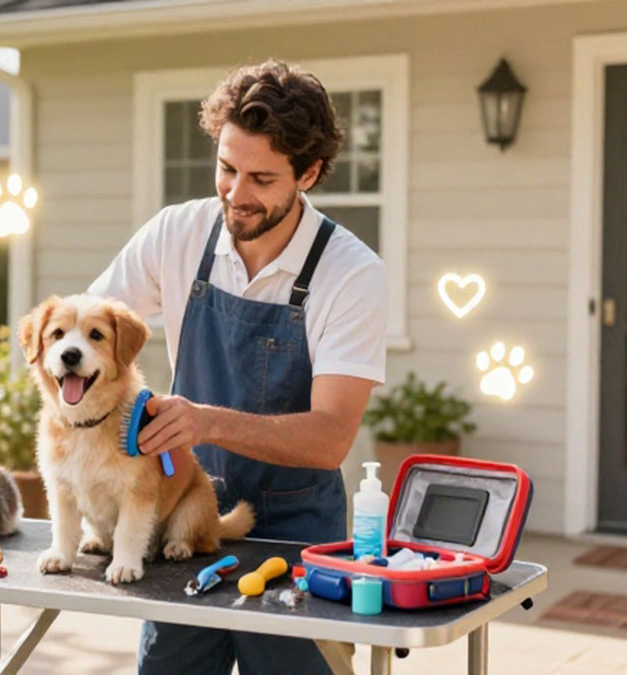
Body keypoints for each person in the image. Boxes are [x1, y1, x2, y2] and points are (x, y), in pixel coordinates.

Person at [87, 58, 388, 674]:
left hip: (298, 536)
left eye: (261, 178)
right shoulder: (178, 232)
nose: (236, 193)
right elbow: (88, 333)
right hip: (184, 522)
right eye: (226, 168)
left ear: (308, 173)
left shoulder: (351, 275)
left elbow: (331, 437)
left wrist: (205, 423)